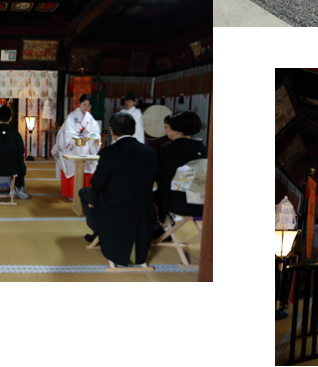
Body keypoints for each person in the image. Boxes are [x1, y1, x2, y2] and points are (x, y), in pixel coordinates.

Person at [79, 111, 158, 268]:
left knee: (83, 192)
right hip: (143, 204)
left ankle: (98, 230)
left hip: (115, 204)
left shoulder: (109, 153)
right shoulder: (151, 152)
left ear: (112, 131)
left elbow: (97, 183)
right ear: (134, 130)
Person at [155, 110, 206, 225]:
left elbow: (162, 178)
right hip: (206, 204)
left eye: (166, 127)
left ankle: (158, 229)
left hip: (180, 204)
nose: (165, 129)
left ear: (177, 130)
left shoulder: (169, 151)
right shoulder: (205, 150)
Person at [51, 94, 101, 200]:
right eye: (84, 104)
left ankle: (86, 195)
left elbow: (95, 132)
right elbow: (68, 134)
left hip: (87, 147)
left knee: (90, 167)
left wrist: (94, 139)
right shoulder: (72, 116)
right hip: (74, 148)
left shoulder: (90, 118)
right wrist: (79, 139)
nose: (86, 107)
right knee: (73, 167)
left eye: (88, 105)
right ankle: (72, 194)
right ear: (79, 103)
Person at [0, 106, 30, 200]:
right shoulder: (16, 135)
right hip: (12, 169)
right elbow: (21, 153)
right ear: (10, 118)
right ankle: (16, 187)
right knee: (19, 164)